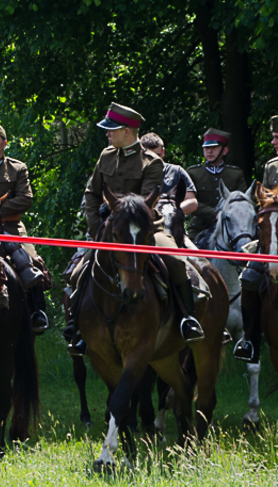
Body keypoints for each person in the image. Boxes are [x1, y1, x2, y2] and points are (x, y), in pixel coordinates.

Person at [61, 102, 203, 356]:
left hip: (145, 229)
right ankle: (78, 327)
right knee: (78, 269)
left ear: (128, 131)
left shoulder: (151, 162)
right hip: (107, 229)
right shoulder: (105, 156)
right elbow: (92, 193)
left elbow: (145, 202)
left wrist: (117, 212)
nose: (107, 133)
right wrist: (96, 229)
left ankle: (187, 320)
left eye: (111, 129)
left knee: (174, 260)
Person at [0, 121, 49, 332]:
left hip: (10, 226)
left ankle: (38, 312)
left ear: (4, 143)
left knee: (31, 259)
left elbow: (25, 199)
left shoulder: (17, 168)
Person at [235, 114, 278, 362]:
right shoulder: (271, 166)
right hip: (272, 235)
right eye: (273, 136)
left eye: (277, 137)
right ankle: (250, 342)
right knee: (249, 278)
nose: (273, 141)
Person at [185, 128, 246, 246]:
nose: (210, 151)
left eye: (214, 148)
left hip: (231, 228)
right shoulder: (193, 173)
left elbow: (242, 202)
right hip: (200, 228)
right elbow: (190, 202)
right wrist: (216, 214)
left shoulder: (235, 174)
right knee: (187, 258)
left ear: (225, 150)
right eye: (207, 148)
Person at [140, 132, 199, 216]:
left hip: (171, 223)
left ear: (163, 152)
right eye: (149, 157)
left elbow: (192, 203)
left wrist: (169, 211)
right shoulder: (134, 174)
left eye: (157, 155)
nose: (153, 160)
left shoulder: (176, 171)